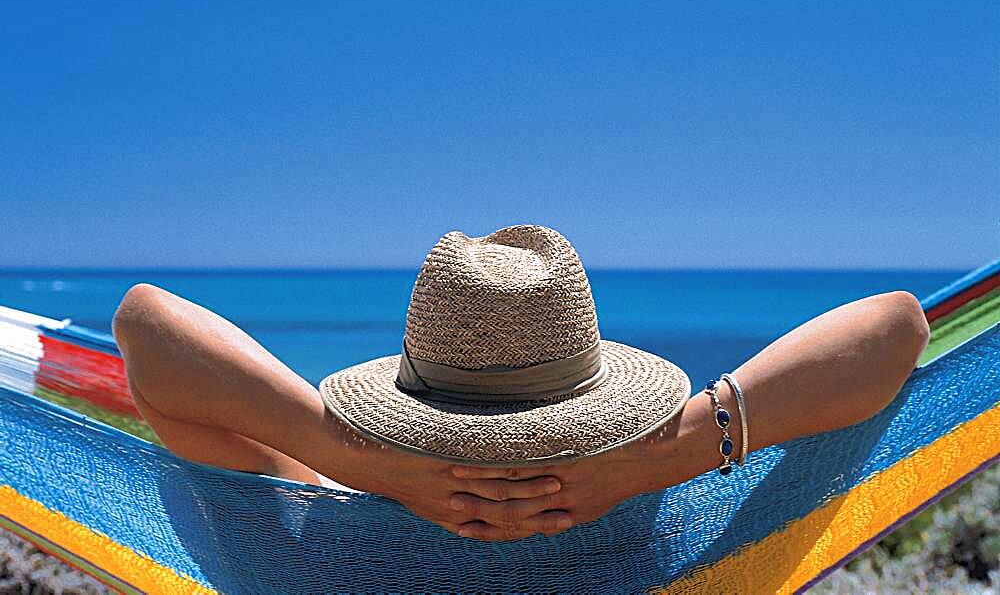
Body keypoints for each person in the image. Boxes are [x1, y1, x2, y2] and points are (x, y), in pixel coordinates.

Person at [112, 225, 929, 542]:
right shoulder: (660, 525)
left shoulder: (319, 524)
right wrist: (663, 458)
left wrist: (354, 463)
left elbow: (148, 331)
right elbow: (896, 331)